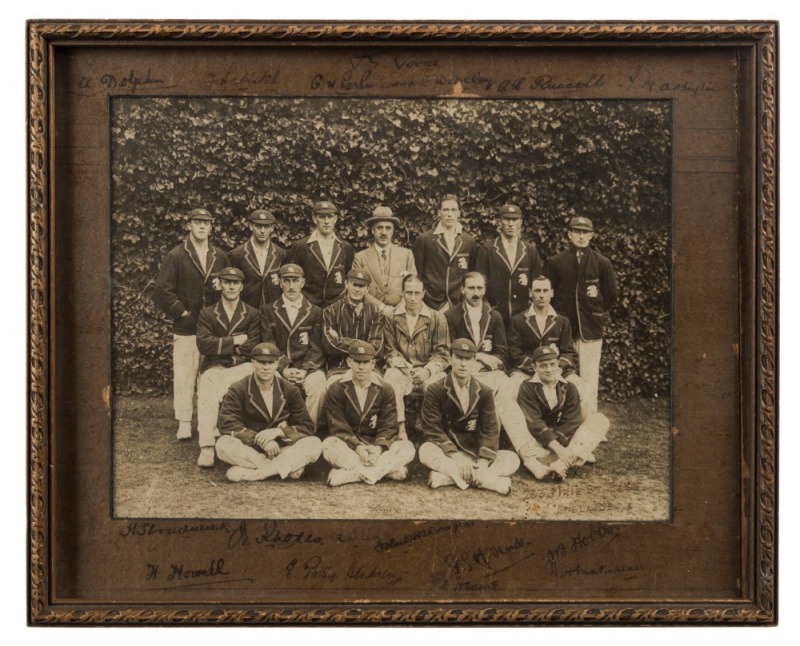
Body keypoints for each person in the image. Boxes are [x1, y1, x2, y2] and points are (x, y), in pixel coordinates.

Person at [445, 271, 551, 480]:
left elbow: (502, 353)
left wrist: (486, 361)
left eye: (480, 288)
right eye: (471, 288)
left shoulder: (494, 316)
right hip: (463, 374)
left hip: (490, 373)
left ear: (485, 290)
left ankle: (526, 453)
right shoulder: (451, 316)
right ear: (463, 289)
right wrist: (482, 356)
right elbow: (451, 352)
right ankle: (517, 453)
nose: (476, 293)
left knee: (507, 396)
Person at [153, 207, 228, 440]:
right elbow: (162, 290)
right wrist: (183, 314)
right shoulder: (177, 255)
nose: (202, 226)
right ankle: (184, 422)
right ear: (189, 225)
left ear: (211, 226)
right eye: (197, 222)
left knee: (211, 375)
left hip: (213, 329)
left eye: (206, 222)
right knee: (185, 375)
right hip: (187, 328)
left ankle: (210, 422)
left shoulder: (220, 256)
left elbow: (227, 289)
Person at [418, 339, 521, 495]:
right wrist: (457, 457)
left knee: (513, 459)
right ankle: (489, 482)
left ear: (474, 361)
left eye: (468, 359)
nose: (463, 364)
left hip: (475, 452)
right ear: (451, 358)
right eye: (459, 358)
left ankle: (448, 478)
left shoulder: (484, 391)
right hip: (449, 452)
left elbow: (490, 430)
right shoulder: (435, 389)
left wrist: (483, 462)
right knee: (425, 450)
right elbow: (432, 428)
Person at [216, 343, 322, 483]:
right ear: (253, 362)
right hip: (251, 450)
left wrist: (277, 432)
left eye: (271, 362)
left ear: (277, 363)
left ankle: (258, 474)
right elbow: (227, 424)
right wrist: (260, 441)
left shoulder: (289, 389)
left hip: (280, 449)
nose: (266, 367)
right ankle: (284, 469)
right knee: (223, 444)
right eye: (261, 362)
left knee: (314, 443)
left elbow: (306, 426)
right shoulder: (238, 388)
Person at [546, 216, 618, 415]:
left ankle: (588, 420)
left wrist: (594, 312)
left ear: (591, 235)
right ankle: (563, 417)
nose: (581, 236)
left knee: (589, 376)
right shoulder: (556, 262)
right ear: (569, 234)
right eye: (576, 231)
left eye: (585, 232)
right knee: (561, 373)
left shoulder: (602, 263)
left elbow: (610, 296)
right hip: (564, 329)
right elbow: (548, 294)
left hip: (590, 328)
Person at [321, 340, 415, 486]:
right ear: (349, 361)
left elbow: (388, 425)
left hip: (375, 448)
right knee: (328, 444)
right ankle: (385, 471)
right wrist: (358, 447)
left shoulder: (385, 389)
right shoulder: (336, 388)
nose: (361, 367)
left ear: (372, 364)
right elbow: (338, 426)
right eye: (357, 362)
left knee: (407, 447)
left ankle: (352, 475)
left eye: (366, 362)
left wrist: (378, 448)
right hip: (350, 448)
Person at [194, 267, 261, 467]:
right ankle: (207, 446)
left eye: (235, 283)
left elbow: (253, 346)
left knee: (256, 377)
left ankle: (251, 439)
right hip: (215, 367)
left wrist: (222, 346)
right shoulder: (207, 314)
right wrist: (236, 340)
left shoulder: (252, 313)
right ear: (220, 284)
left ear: (241, 286)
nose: (231, 286)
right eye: (227, 282)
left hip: (242, 365)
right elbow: (204, 344)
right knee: (207, 383)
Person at [516, 346, 610, 480]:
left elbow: (572, 421)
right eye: (543, 366)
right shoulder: (527, 387)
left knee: (601, 420)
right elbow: (534, 423)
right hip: (539, 440)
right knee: (535, 452)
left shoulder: (569, 387)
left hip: (560, 440)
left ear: (558, 365)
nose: (549, 370)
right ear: (534, 367)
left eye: (552, 364)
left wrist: (556, 448)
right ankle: (564, 458)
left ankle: (560, 463)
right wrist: (556, 448)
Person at [382, 274, 450, 437]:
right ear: (402, 293)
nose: (412, 298)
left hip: (428, 369)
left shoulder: (437, 318)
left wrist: (427, 371)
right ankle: (400, 428)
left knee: (438, 384)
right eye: (408, 293)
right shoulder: (391, 317)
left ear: (423, 293)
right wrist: (406, 369)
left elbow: (443, 353)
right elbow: (389, 350)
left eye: (416, 293)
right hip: (402, 369)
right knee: (390, 380)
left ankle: (432, 428)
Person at [259, 264, 327, 425]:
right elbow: (268, 343)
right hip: (280, 366)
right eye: (286, 281)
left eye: (295, 281)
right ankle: (277, 427)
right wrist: (283, 368)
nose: (291, 286)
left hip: (306, 368)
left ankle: (306, 429)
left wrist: (304, 370)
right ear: (280, 283)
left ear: (302, 282)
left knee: (318, 384)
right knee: (268, 378)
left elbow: (317, 347)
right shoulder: (268, 310)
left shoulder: (315, 311)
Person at [507, 275, 581, 400]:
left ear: (551, 293)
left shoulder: (562, 321)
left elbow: (569, 353)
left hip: (556, 370)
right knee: (512, 389)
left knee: (581, 387)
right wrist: (539, 368)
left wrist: (556, 368)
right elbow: (514, 352)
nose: (542, 295)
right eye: (537, 291)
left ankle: (574, 420)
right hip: (526, 371)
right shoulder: (518, 320)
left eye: (545, 291)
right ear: (531, 293)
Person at [474, 203, 545, 328]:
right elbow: (478, 283)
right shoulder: (487, 249)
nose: (511, 224)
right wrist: (488, 309)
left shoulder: (530, 250)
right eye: (507, 219)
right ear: (500, 222)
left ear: (520, 223)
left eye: (515, 219)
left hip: (523, 318)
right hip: (494, 316)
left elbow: (538, 283)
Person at [413, 194, 478, 312]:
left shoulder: (469, 241)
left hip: (459, 303)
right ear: (439, 212)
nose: (449, 214)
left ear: (458, 213)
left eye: (453, 210)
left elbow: (471, 274)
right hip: (432, 303)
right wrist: (427, 297)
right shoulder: (425, 239)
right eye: (445, 210)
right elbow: (418, 273)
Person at [286, 200, 354, 307]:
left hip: (337, 307)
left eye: (330, 216)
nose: (326, 221)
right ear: (314, 219)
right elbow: (291, 277)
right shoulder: (301, 246)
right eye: (322, 217)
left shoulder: (346, 247)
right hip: (308, 306)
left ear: (335, 219)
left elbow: (349, 278)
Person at [352, 205, 417, 315]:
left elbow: (413, 285)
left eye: (388, 228)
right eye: (379, 227)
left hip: (401, 313)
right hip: (371, 314)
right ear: (372, 230)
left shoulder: (406, 255)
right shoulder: (360, 257)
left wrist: (401, 307)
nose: (383, 232)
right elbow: (357, 288)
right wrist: (381, 307)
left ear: (392, 231)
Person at [322, 269, 384, 381]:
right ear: (346, 284)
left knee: (377, 386)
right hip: (340, 367)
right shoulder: (330, 311)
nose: (357, 289)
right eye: (354, 285)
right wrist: (362, 344)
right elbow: (329, 346)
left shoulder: (376, 312)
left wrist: (342, 340)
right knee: (333, 387)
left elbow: (377, 348)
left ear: (367, 289)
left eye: (361, 286)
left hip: (368, 368)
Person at [228, 209, 286, 309]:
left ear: (272, 228)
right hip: (246, 312)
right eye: (258, 226)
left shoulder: (280, 254)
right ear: (251, 226)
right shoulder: (237, 254)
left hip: (273, 312)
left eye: (266, 226)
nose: (262, 231)